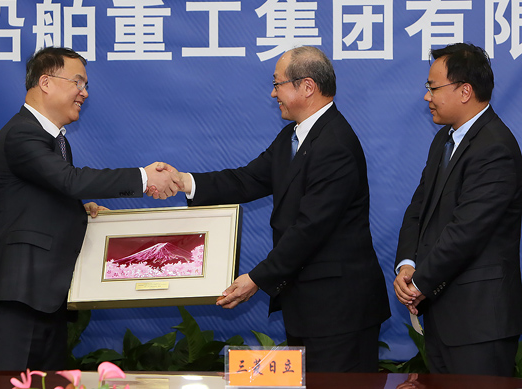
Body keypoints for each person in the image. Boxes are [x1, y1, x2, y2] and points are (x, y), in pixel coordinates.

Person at [160, 46, 391, 372]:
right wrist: (184, 182)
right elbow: (246, 181)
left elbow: (310, 229)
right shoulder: (291, 137)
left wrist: (255, 279)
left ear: (307, 87)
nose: (272, 93)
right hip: (308, 307)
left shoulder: (335, 144)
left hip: (340, 311)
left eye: (278, 84)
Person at [0, 46, 181, 370]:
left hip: (43, 293)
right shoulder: (21, 133)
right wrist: (143, 177)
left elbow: (46, 195)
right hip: (16, 292)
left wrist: (76, 211)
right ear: (46, 82)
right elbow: (69, 180)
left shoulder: (55, 140)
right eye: (78, 82)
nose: (84, 93)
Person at [394, 43, 522, 376]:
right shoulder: (445, 140)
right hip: (443, 319)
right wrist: (407, 265)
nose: (427, 97)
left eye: (433, 88)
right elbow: (418, 209)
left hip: (480, 324)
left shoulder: (496, 148)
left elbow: (466, 232)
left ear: (465, 91)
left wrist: (419, 283)